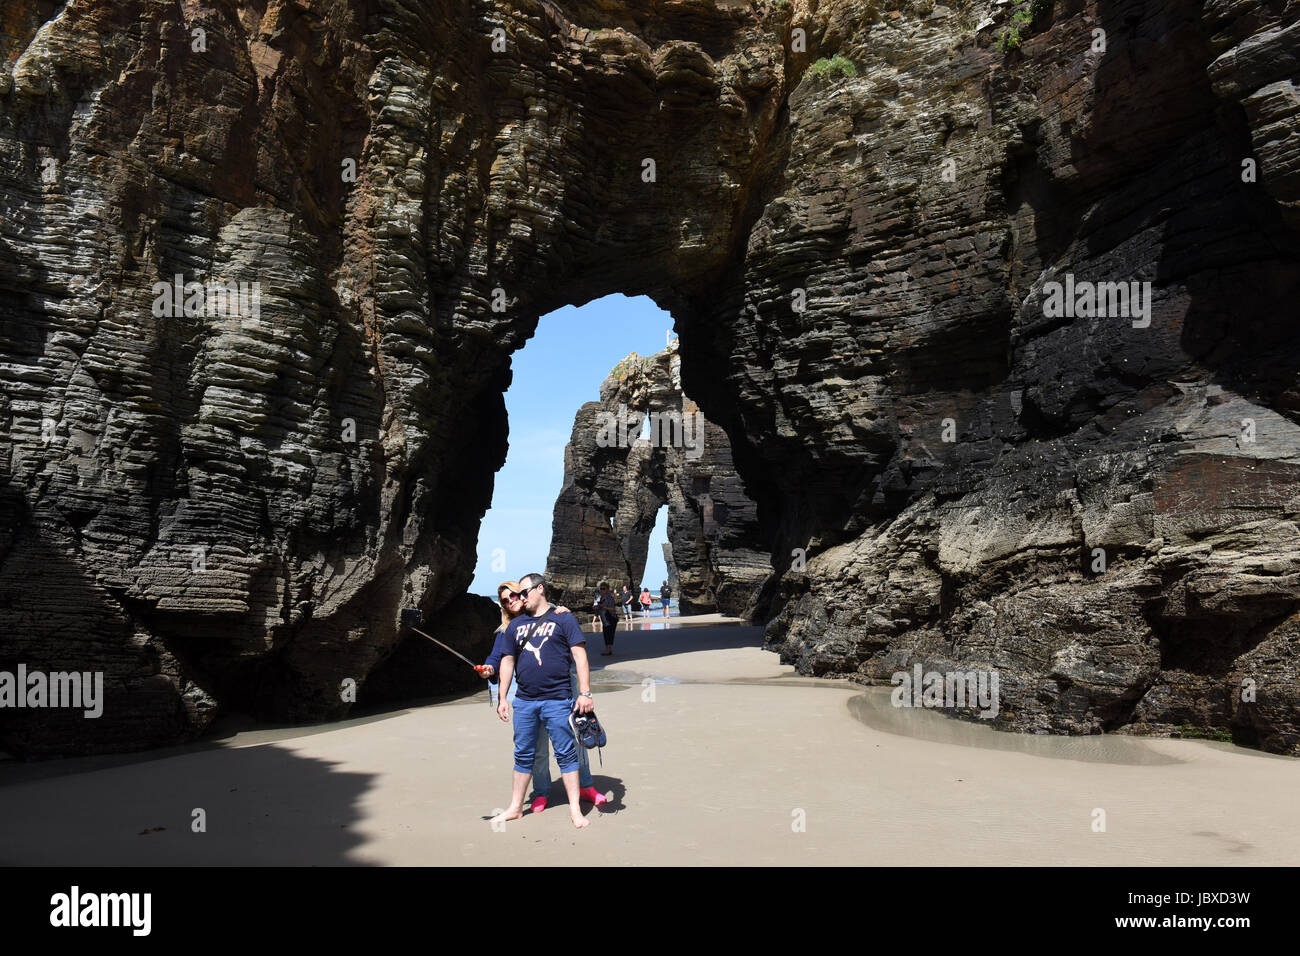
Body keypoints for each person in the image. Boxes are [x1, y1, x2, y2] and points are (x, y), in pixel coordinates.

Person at [477, 581, 603, 814]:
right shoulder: (508, 628)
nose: (511, 601)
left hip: (564, 689)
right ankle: (542, 791)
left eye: (514, 595)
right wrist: (489, 671)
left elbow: (561, 624)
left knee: (577, 740)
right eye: (505, 600)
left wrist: (585, 692)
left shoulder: (552, 612)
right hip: (530, 695)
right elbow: (499, 659)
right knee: (537, 747)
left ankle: (586, 786)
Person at [593, 581, 619, 656]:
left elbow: (613, 609)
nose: (602, 590)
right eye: (601, 589)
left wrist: (603, 607)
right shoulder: (600, 597)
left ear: (607, 589)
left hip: (611, 618)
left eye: (603, 589)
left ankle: (608, 650)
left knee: (608, 634)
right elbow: (599, 608)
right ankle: (608, 649)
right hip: (605, 618)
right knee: (606, 634)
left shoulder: (609, 598)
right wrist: (596, 607)